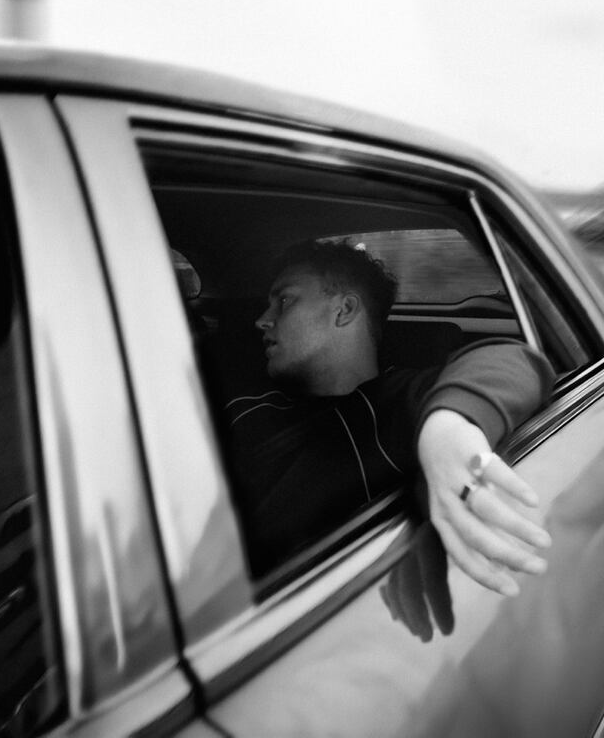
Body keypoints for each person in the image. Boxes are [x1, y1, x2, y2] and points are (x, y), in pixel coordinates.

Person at [225, 239, 555, 595]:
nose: (262, 320)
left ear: (344, 310)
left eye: (285, 300)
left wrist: (448, 425)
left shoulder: (402, 401)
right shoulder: (247, 403)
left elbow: (516, 360)